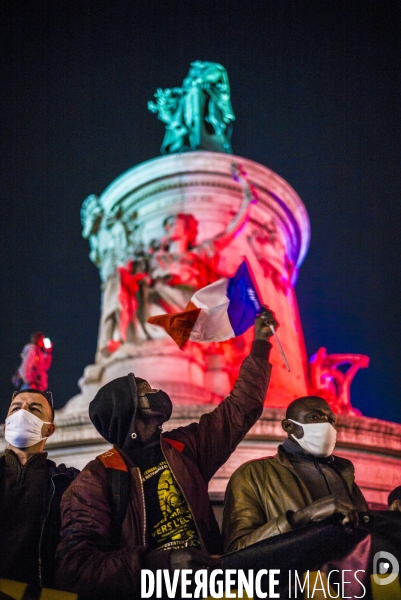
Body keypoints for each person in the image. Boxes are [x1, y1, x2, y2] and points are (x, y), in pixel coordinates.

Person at [55, 308, 278, 599]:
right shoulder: (96, 479)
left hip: (207, 589)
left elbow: (239, 410)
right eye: (146, 391)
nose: (157, 392)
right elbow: (75, 570)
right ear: (126, 411)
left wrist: (261, 344)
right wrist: (160, 565)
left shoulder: (184, 447)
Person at [223, 395, 368, 553]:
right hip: (292, 577)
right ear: (288, 426)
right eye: (314, 417)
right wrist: (300, 518)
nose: (325, 424)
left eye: (331, 420)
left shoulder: (344, 474)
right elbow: (236, 551)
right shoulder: (253, 475)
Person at [0, 389, 79, 587]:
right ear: (6, 423)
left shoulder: (67, 483)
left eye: (34, 409)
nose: (23, 412)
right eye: (16, 408)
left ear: (49, 430)